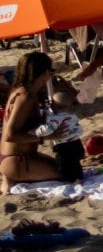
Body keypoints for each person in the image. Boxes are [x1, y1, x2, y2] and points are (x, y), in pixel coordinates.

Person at [1, 53, 66, 185]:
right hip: (18, 160)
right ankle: (13, 178)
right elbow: (10, 136)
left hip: (20, 157)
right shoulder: (25, 98)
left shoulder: (22, 92)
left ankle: (11, 181)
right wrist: (45, 138)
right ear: (43, 73)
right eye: (51, 71)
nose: (50, 75)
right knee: (69, 174)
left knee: (65, 167)